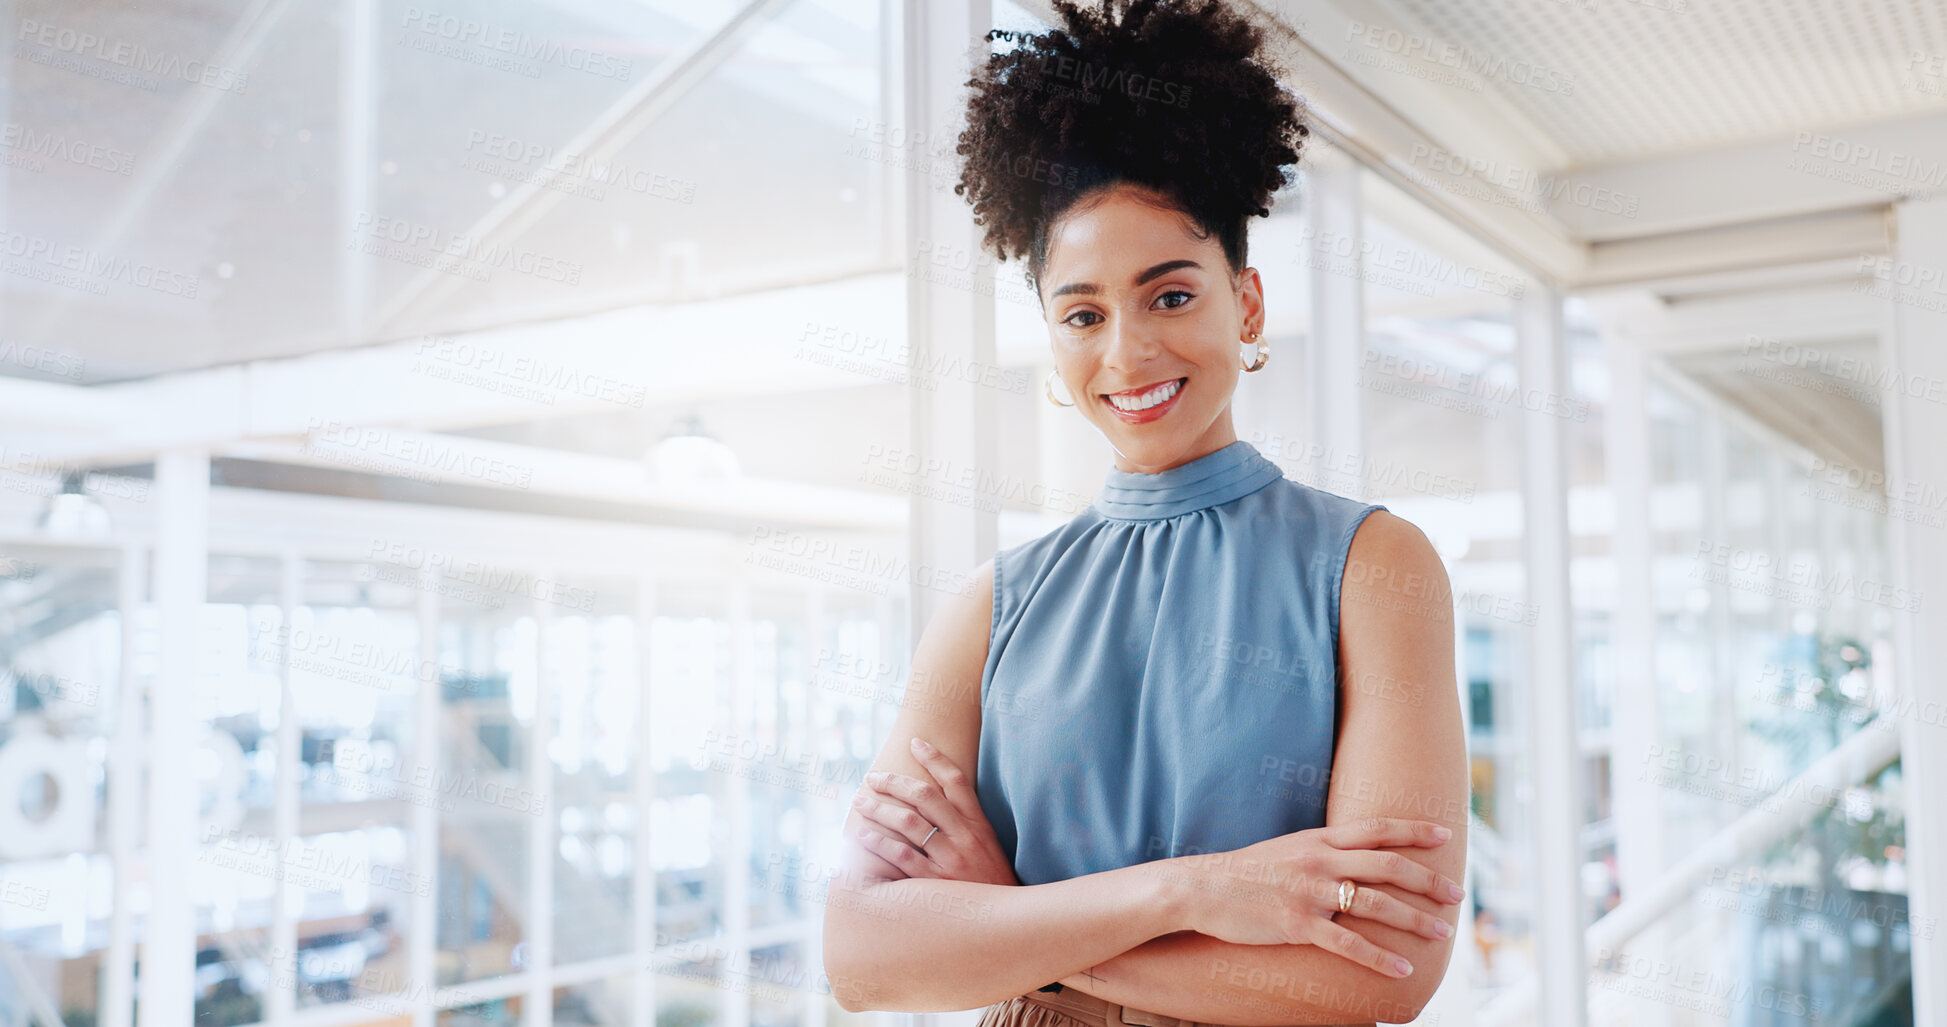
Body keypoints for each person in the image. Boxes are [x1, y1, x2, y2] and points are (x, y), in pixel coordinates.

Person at [821, 2, 1469, 1024]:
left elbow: (1383, 966)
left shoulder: (1374, 567)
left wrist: (1012, 930)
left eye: (1169, 295)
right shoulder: (988, 609)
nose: (1126, 354)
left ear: (1245, 303)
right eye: (1084, 313)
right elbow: (863, 954)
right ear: (1052, 334)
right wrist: (1197, 892)